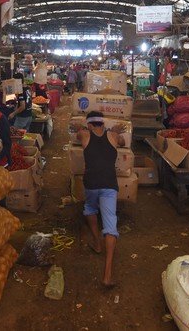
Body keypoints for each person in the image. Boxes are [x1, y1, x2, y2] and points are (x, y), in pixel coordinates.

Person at [75, 111, 122, 287]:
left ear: (89, 124)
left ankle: (96, 242)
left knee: (89, 208)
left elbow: (77, 132)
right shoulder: (114, 136)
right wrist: (115, 130)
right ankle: (107, 275)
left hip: (92, 183)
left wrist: (80, 126)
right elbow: (123, 141)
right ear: (103, 123)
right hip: (110, 184)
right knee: (110, 226)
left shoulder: (85, 134)